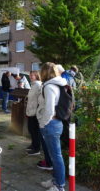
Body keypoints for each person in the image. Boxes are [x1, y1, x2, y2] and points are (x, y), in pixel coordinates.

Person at [37, 62, 67, 191]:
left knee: (56, 156)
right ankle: (55, 181)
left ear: (44, 72)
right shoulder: (59, 83)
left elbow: (49, 110)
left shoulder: (49, 87)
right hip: (56, 123)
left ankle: (59, 186)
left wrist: (43, 123)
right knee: (55, 155)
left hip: (50, 124)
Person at [25, 71, 42, 156]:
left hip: (35, 112)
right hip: (30, 111)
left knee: (35, 131)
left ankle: (37, 148)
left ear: (37, 76)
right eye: (30, 75)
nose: (31, 77)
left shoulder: (38, 85)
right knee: (31, 130)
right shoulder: (33, 85)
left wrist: (36, 111)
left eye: (32, 75)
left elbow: (40, 100)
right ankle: (33, 144)